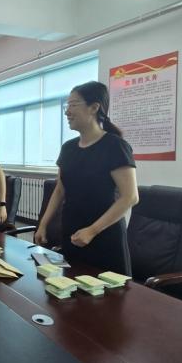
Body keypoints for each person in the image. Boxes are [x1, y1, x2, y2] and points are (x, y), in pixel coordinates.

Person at [35, 81, 139, 276]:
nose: (67, 112)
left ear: (94, 107)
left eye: (73, 105)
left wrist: (92, 231)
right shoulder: (68, 148)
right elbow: (60, 189)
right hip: (72, 232)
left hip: (104, 235)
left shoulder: (115, 146)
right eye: (67, 106)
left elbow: (130, 197)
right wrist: (43, 224)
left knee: (107, 292)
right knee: (70, 286)